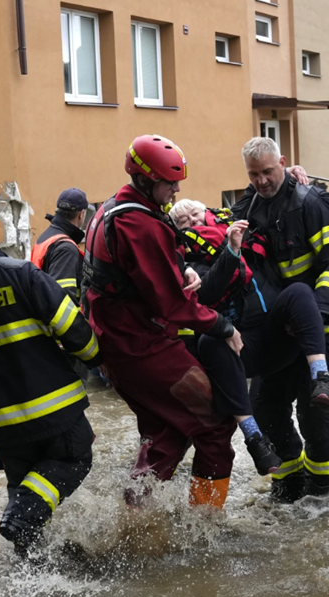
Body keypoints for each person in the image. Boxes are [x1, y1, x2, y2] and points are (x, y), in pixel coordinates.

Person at [81, 134, 277, 510]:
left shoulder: (113, 209)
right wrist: (223, 326)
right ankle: (204, 523)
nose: (175, 190)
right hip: (140, 346)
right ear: (145, 180)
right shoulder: (140, 224)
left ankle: (135, 513)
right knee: (216, 422)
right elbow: (172, 305)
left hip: (114, 343)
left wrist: (182, 268)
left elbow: (134, 273)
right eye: (169, 183)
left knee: (167, 428)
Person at [0, 208, 102, 558]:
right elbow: (70, 324)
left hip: (4, 422)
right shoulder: (22, 273)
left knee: (23, 488)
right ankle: (22, 514)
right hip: (55, 408)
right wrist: (95, 357)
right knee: (75, 460)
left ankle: (31, 566)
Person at [229, 137, 329, 501]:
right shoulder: (249, 205)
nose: (262, 181)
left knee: (320, 416)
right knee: (265, 407)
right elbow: (218, 227)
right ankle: (287, 485)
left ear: (283, 163)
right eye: (254, 175)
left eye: (268, 172)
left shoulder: (313, 202)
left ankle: (322, 494)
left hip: (324, 326)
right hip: (278, 329)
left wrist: (316, 314)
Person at [168, 198, 329, 409]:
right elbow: (207, 292)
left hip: (281, 334)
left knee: (299, 292)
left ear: (207, 212)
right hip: (243, 347)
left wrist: (288, 174)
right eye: (184, 221)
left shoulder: (239, 227)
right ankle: (252, 435)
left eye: (195, 214)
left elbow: (258, 193)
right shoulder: (189, 264)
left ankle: (321, 376)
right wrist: (231, 251)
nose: (193, 221)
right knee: (209, 343)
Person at [31, 188, 90, 304]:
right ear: (81, 214)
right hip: (65, 320)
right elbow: (62, 299)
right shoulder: (66, 248)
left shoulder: (46, 238)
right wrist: (79, 322)